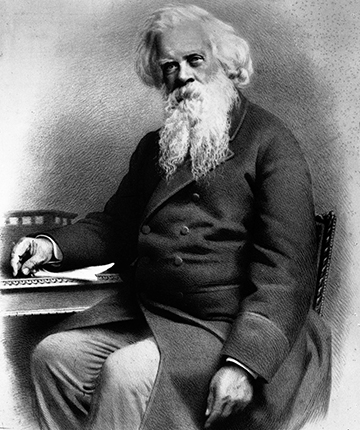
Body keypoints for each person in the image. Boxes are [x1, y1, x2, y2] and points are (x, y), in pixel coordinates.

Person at [11, 5, 331, 430]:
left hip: (226, 327)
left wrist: (244, 363)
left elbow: (286, 273)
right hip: (153, 315)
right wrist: (49, 244)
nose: (182, 75)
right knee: (53, 358)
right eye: (169, 67)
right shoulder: (155, 147)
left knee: (126, 375)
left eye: (194, 59)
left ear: (225, 62)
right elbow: (116, 227)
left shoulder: (272, 143)